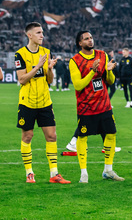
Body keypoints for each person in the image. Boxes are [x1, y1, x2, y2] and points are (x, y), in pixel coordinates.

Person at [15, 22, 70, 184]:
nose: (42, 36)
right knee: (28, 136)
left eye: (42, 33)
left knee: (52, 136)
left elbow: (49, 81)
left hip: (45, 101)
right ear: (29, 35)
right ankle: (29, 173)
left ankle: (54, 174)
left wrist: (49, 69)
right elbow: (22, 79)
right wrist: (38, 66)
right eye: (38, 33)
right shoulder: (20, 54)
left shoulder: (46, 52)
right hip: (27, 102)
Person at [69, 30, 124, 182]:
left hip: (104, 106)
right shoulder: (75, 61)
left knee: (111, 135)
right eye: (86, 39)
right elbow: (79, 85)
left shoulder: (102, 55)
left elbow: (111, 81)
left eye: (91, 37)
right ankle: (84, 173)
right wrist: (92, 71)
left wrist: (109, 71)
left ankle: (108, 170)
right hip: (86, 107)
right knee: (82, 137)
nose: (90, 40)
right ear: (80, 43)